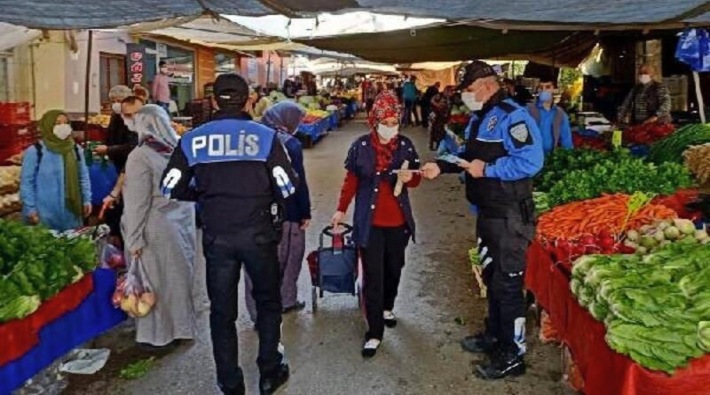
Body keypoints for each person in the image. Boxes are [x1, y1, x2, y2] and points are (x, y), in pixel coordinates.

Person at [161, 73, 296, 395]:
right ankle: (268, 372)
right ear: (248, 98)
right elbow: (288, 187)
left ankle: (230, 383)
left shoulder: (193, 139)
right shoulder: (265, 137)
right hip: (259, 235)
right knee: (267, 303)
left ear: (212, 100)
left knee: (222, 313)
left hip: (217, 237)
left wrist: (203, 196)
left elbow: (169, 187)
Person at [421, 60, 543, 380]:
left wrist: (488, 170)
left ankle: (513, 354)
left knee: (508, 286)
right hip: (488, 214)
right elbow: (465, 154)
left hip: (510, 216)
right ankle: (494, 336)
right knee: (492, 279)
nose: (466, 96)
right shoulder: (480, 118)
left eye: (470, 90)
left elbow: (531, 161)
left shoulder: (512, 116)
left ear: (488, 85)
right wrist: (441, 166)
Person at [330, 91, 421, 358]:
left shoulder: (405, 146)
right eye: (386, 122)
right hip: (369, 224)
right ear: (375, 120)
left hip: (398, 222)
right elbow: (351, 182)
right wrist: (340, 209)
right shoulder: (361, 147)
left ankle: (386, 306)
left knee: (394, 267)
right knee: (373, 275)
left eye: (395, 123)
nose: (391, 128)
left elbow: (415, 179)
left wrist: (411, 177)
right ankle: (375, 332)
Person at [121, 104, 197, 347]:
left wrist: (133, 240)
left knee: (153, 283)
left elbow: (137, 204)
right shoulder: (179, 150)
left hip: (155, 228)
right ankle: (181, 329)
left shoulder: (140, 156)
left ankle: (156, 336)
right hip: (181, 224)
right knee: (177, 281)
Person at [245, 101, 312, 322]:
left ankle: (258, 312)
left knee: (259, 263)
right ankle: (285, 301)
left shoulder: (251, 139)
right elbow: (298, 183)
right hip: (287, 212)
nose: (298, 125)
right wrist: (305, 212)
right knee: (289, 258)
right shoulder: (291, 144)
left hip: (254, 213)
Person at [20, 110, 92, 232]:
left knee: (71, 246)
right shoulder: (36, 151)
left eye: (66, 123)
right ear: (48, 125)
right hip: (43, 213)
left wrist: (86, 200)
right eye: (58, 123)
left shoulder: (75, 149)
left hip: (71, 212)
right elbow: (27, 183)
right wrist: (30, 209)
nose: (63, 127)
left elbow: (83, 176)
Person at [93, 85, 138, 245]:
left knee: (125, 203)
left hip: (130, 167)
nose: (116, 104)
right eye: (113, 101)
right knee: (115, 203)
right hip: (116, 165)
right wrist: (104, 148)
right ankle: (116, 235)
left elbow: (133, 145)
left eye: (119, 101)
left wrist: (109, 149)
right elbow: (111, 138)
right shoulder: (115, 116)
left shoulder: (133, 118)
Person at [100, 96, 145, 239]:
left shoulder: (148, 132)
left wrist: (109, 150)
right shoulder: (117, 119)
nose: (130, 118)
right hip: (121, 169)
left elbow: (133, 149)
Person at [526, 78, 574, 154]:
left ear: (554, 90)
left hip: (550, 158)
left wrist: (569, 157)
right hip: (531, 156)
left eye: (548, 87)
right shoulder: (527, 110)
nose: (544, 90)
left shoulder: (560, 114)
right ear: (538, 90)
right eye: (541, 87)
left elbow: (566, 139)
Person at [429, 85, 454, 151]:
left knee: (441, 131)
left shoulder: (450, 98)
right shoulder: (439, 95)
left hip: (445, 117)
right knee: (435, 130)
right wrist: (437, 105)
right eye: (450, 91)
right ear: (446, 91)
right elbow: (432, 100)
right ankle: (433, 145)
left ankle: (438, 145)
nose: (452, 93)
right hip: (437, 116)